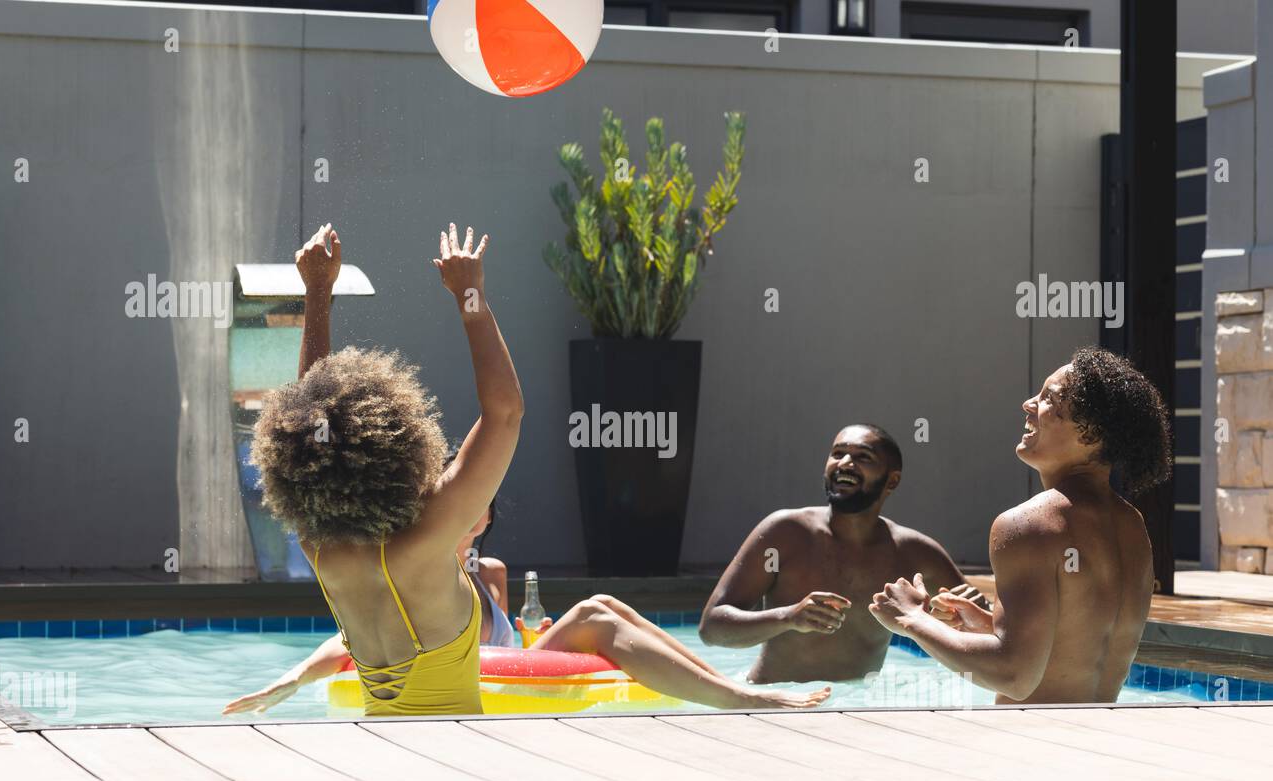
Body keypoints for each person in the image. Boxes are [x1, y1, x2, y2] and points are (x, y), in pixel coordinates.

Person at [227, 223, 828, 716]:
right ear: (400, 452)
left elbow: (313, 422)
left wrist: (318, 297)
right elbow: (506, 412)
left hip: (379, 745)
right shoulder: (430, 539)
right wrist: (470, 296)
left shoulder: (321, 547)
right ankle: (745, 700)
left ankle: (740, 693)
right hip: (456, 755)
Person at [868, 348, 1171, 705]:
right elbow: (1078, 647)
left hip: (1029, 746)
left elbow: (1014, 676)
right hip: (1094, 742)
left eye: (1049, 399)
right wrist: (987, 626)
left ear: (1091, 434)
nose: (1028, 404)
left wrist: (911, 620)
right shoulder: (1131, 526)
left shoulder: (1029, 525)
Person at [698, 424, 986, 683]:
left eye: (863, 457)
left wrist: (973, 611)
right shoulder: (784, 533)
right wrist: (788, 618)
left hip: (856, 710)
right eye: (837, 454)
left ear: (892, 480)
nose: (845, 463)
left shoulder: (915, 554)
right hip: (772, 703)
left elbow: (990, 632)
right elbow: (711, 628)